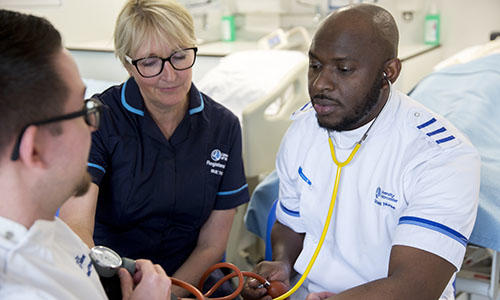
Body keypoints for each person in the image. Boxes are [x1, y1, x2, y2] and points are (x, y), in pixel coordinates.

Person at [241, 4, 480, 300]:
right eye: (315, 66)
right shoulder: (304, 130)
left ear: (388, 72)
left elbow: (414, 287)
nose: (320, 84)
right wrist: (283, 264)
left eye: (343, 69)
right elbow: (290, 224)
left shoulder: (440, 156)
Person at [59, 0, 249, 297]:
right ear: (127, 64)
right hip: (113, 280)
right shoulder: (100, 120)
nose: (170, 75)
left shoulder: (223, 127)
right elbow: (76, 225)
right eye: (150, 62)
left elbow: (212, 244)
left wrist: (168, 293)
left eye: (179, 56)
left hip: (192, 283)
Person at [0, 9, 171, 300]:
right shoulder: (22, 290)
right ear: (35, 149)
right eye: (83, 111)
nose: (93, 127)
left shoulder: (46, 227)